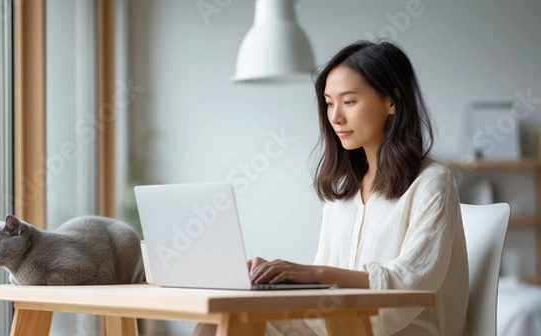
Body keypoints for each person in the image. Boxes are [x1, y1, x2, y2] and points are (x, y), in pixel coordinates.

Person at [193, 40, 469, 336]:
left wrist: (312, 273)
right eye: (329, 102)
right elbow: (322, 280)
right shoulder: (343, 191)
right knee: (220, 319)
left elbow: (411, 281)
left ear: (391, 101)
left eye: (349, 101)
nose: (335, 116)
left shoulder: (432, 182)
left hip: (402, 330)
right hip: (338, 324)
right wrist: (278, 276)